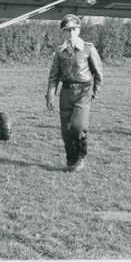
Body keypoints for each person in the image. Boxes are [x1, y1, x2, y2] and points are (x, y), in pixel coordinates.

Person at [46, 14, 103, 172]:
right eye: (67, 30)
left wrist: (95, 91)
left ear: (78, 30)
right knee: (66, 130)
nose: (70, 33)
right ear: (63, 32)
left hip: (83, 91)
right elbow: (53, 76)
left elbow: (98, 72)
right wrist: (50, 95)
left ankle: (81, 156)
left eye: (73, 29)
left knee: (78, 127)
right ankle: (71, 159)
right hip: (66, 92)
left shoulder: (88, 48)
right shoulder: (60, 51)